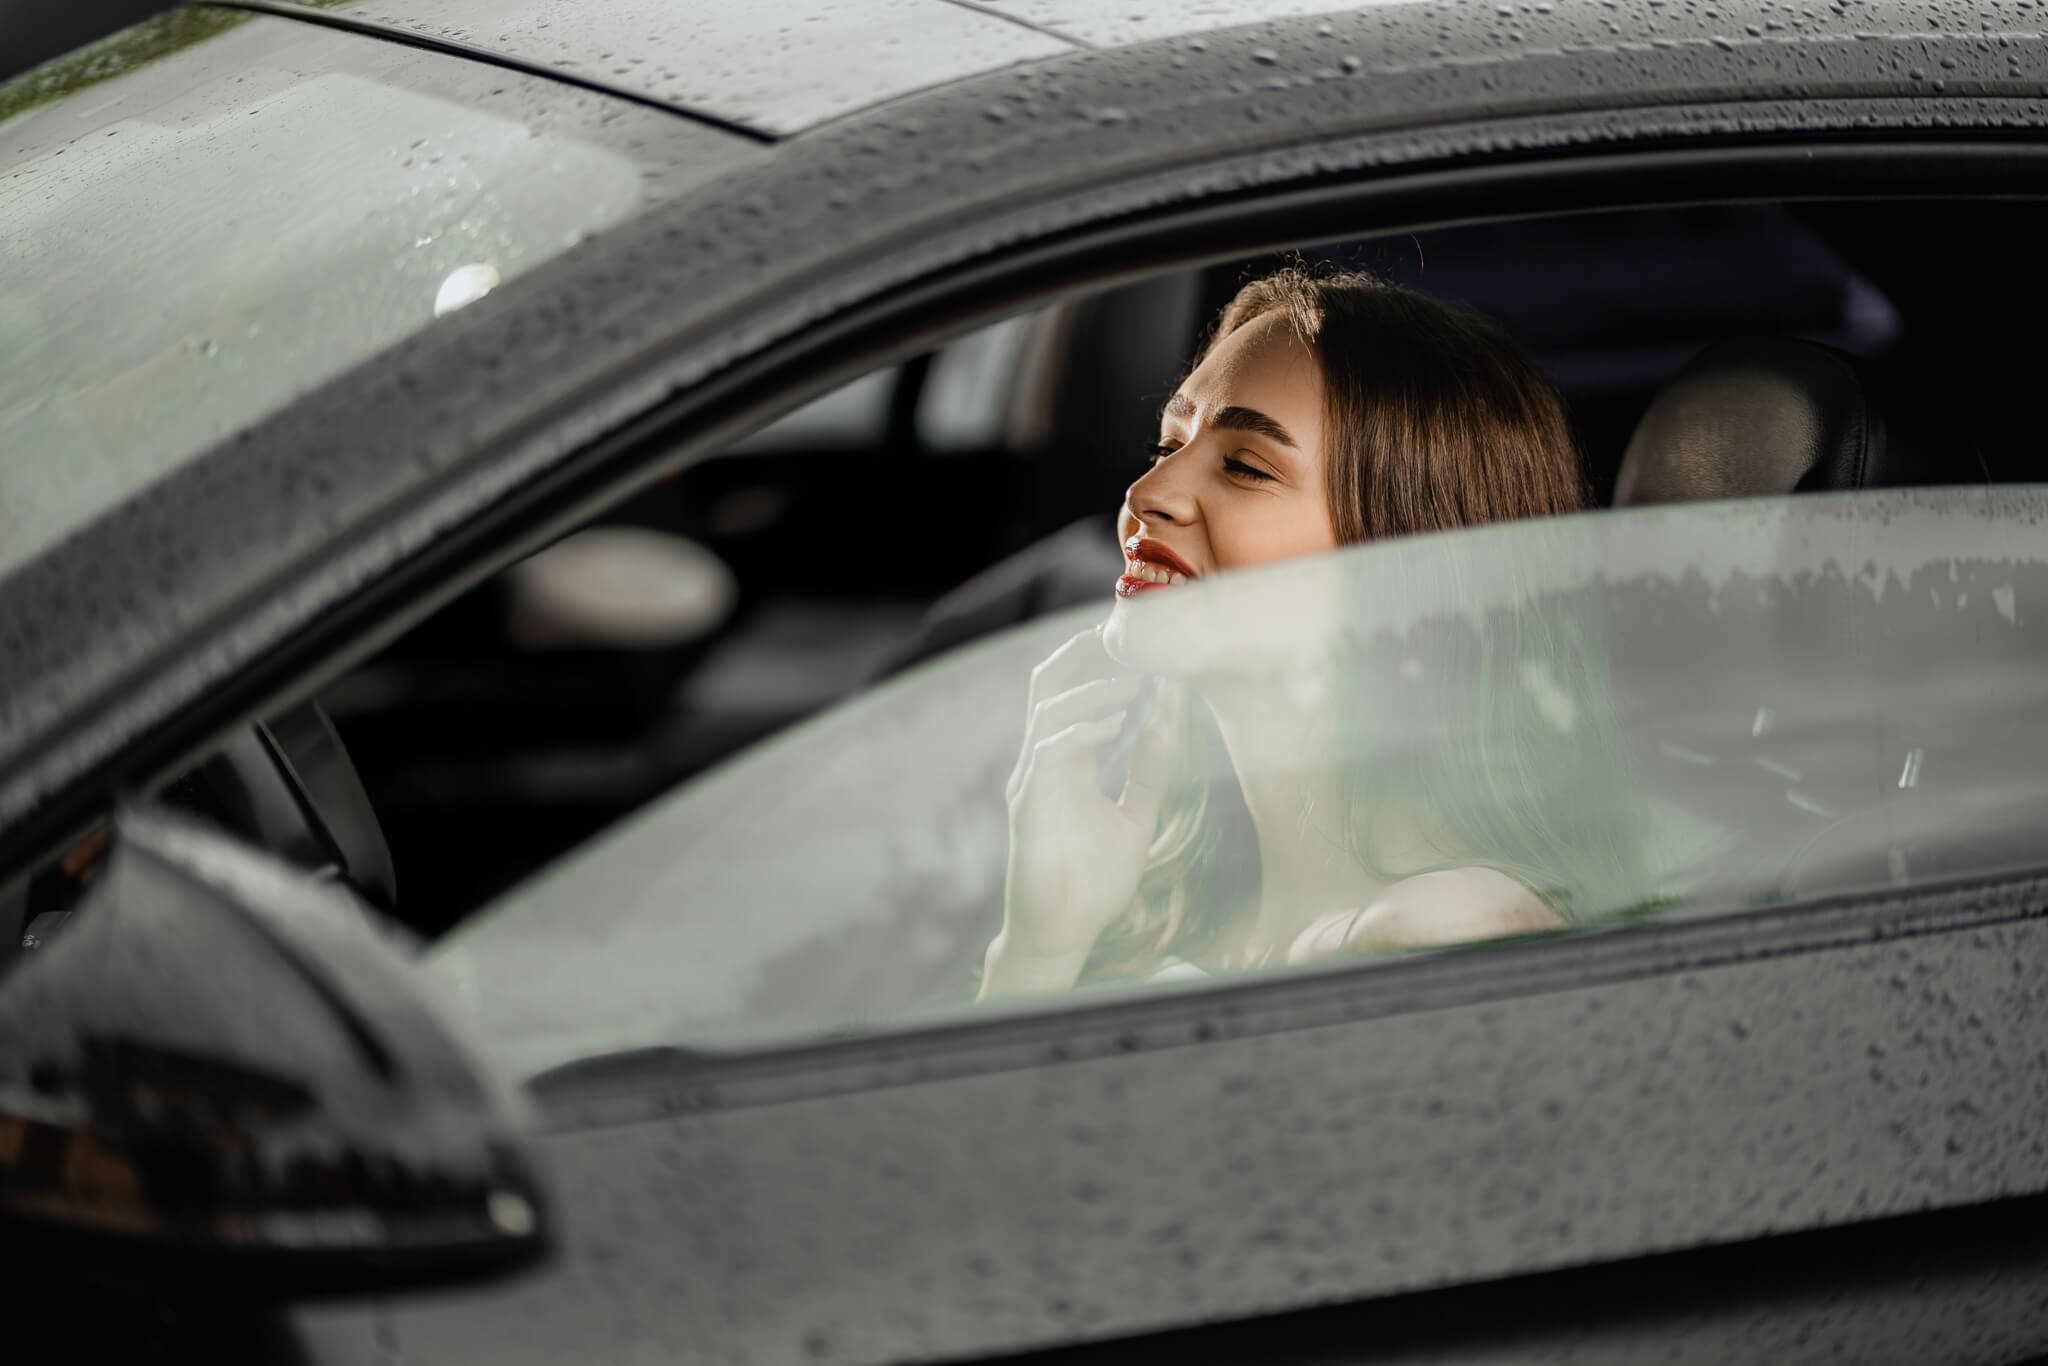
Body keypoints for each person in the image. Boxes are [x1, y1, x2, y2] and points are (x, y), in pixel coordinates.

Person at [979, 265, 1644, 999]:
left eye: (1244, 466)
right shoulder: (1161, 906)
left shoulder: (1445, 934)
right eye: (1168, 447)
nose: (1147, 496)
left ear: (1403, 560)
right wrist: (1039, 946)